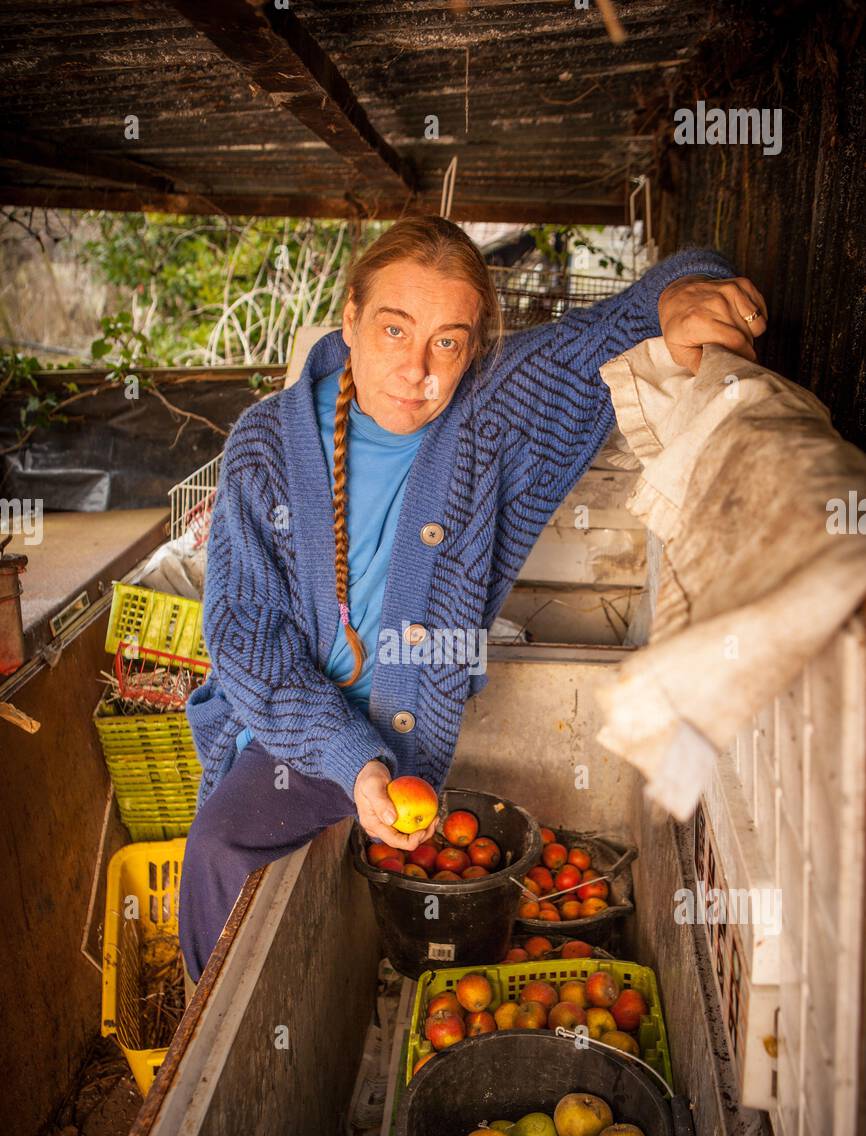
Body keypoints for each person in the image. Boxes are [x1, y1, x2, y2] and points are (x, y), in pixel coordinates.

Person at [178, 215, 767, 985]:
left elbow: (634, 310)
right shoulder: (266, 445)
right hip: (295, 730)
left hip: (410, 731)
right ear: (350, 318)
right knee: (219, 851)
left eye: (447, 343)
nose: (417, 368)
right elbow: (247, 641)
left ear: (474, 348)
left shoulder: (492, 410)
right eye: (393, 329)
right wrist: (352, 763)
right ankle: (209, 1077)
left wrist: (688, 291)